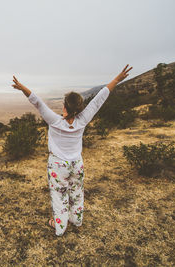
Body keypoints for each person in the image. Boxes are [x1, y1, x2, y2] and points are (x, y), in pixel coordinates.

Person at [11, 64, 133, 236]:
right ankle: (76, 219)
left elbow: (37, 102)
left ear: (65, 107)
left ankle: (59, 227)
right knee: (76, 192)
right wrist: (116, 80)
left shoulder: (55, 121)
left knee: (59, 196)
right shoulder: (82, 120)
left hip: (58, 165)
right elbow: (99, 100)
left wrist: (22, 87)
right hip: (77, 164)